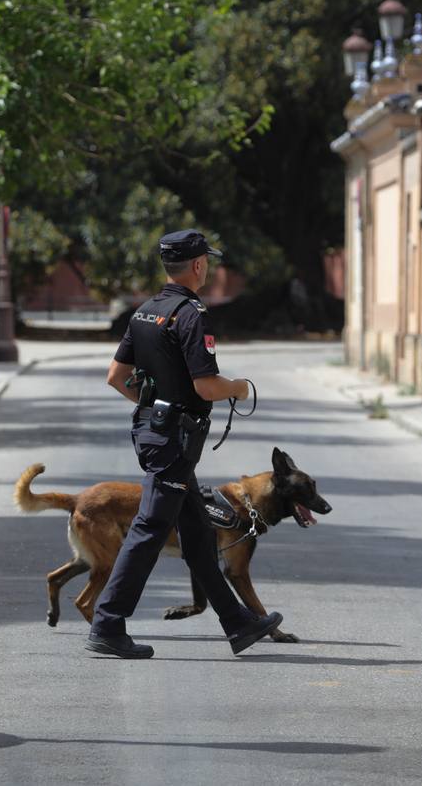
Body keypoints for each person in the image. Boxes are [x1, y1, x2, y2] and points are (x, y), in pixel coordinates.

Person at [85, 229, 283, 659]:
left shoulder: (145, 312)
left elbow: (116, 377)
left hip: (158, 436)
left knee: (197, 535)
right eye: (206, 261)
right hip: (174, 442)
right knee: (150, 528)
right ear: (197, 266)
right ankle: (108, 623)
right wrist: (238, 388)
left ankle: (237, 624)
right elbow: (207, 385)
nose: (207, 267)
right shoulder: (191, 315)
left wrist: (155, 409)